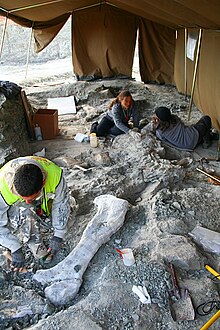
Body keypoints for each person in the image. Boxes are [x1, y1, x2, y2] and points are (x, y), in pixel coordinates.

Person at [0, 156, 70, 271]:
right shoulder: (1, 187)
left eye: (30, 198)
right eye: (23, 198)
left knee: (67, 212)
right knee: (25, 210)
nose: (27, 202)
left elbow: (61, 204)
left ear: (43, 183)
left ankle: (42, 214)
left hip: (44, 201)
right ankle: (35, 243)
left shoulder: (55, 175)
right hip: (14, 210)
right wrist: (14, 248)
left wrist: (59, 235)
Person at [150, 106, 217, 151]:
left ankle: (208, 137)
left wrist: (156, 126)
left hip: (186, 146)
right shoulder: (175, 120)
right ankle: (207, 142)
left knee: (193, 128)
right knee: (206, 119)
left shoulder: (159, 131)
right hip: (193, 138)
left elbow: (163, 139)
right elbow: (182, 124)